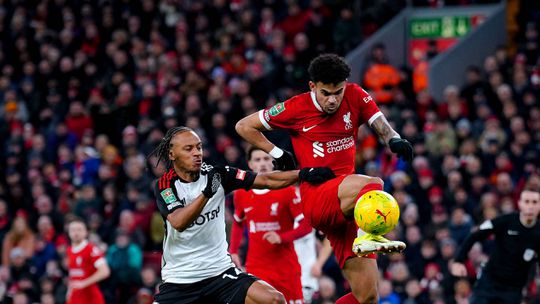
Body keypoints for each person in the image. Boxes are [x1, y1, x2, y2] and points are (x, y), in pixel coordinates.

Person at [235, 53, 412, 303]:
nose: (332, 99)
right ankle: (372, 234)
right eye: (326, 93)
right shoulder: (296, 107)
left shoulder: (355, 94)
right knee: (374, 184)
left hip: (348, 205)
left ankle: (368, 233)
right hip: (317, 197)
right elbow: (244, 126)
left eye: (337, 92)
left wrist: (393, 139)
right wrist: (276, 152)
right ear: (312, 87)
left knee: (367, 296)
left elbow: (378, 121)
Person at [149, 126, 333, 304]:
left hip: (219, 273)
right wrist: (207, 194)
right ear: (172, 155)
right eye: (188, 149)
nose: (197, 153)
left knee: (274, 299)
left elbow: (266, 179)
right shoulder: (165, 185)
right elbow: (179, 221)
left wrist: (303, 174)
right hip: (180, 280)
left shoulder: (218, 175)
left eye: (199, 147)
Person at [229, 146, 311, 303]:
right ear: (250, 164)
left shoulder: (287, 190)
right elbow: (238, 222)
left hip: (286, 269)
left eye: (266, 159)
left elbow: (306, 225)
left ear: (273, 162)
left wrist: (281, 237)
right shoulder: (241, 193)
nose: (262, 164)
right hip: (256, 268)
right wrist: (233, 251)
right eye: (257, 160)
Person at [450, 189, 540, 304]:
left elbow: (534, 263)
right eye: (527, 201)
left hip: (513, 290)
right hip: (489, 283)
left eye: (534, 202)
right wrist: (458, 260)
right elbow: (475, 235)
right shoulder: (505, 221)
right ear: (520, 203)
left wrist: (527, 289)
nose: (530, 206)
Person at [66, 218, 110, 304]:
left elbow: (105, 271)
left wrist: (84, 283)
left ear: (86, 232)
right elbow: (73, 274)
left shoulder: (91, 249)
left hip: (91, 298)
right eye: (73, 230)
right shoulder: (69, 250)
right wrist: (69, 292)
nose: (76, 233)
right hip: (75, 297)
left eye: (79, 229)